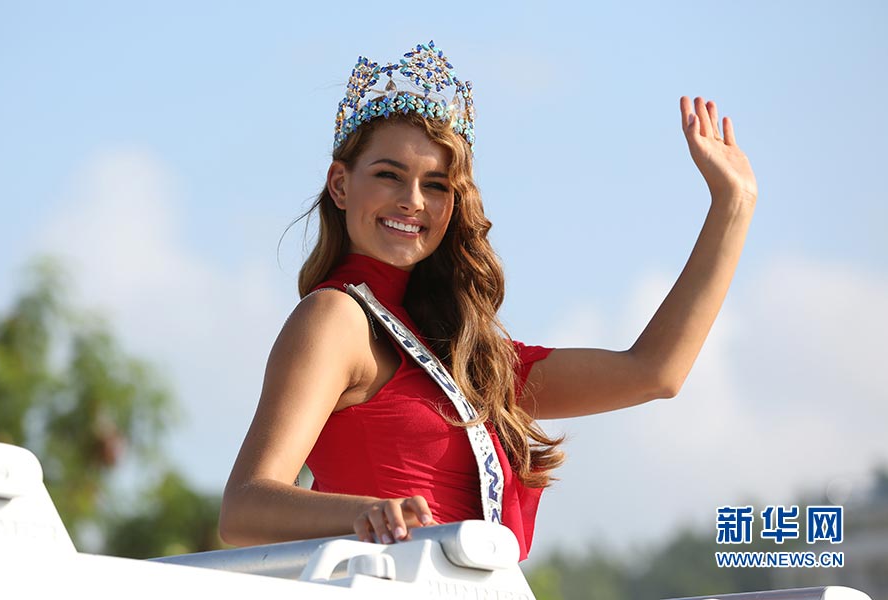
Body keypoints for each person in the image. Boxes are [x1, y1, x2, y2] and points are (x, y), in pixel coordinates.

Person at [219, 41, 757, 561]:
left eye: (435, 185)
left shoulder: (470, 358)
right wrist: (369, 513)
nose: (412, 201)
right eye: (389, 175)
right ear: (340, 185)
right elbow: (243, 509)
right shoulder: (335, 317)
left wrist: (732, 206)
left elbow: (653, 372)